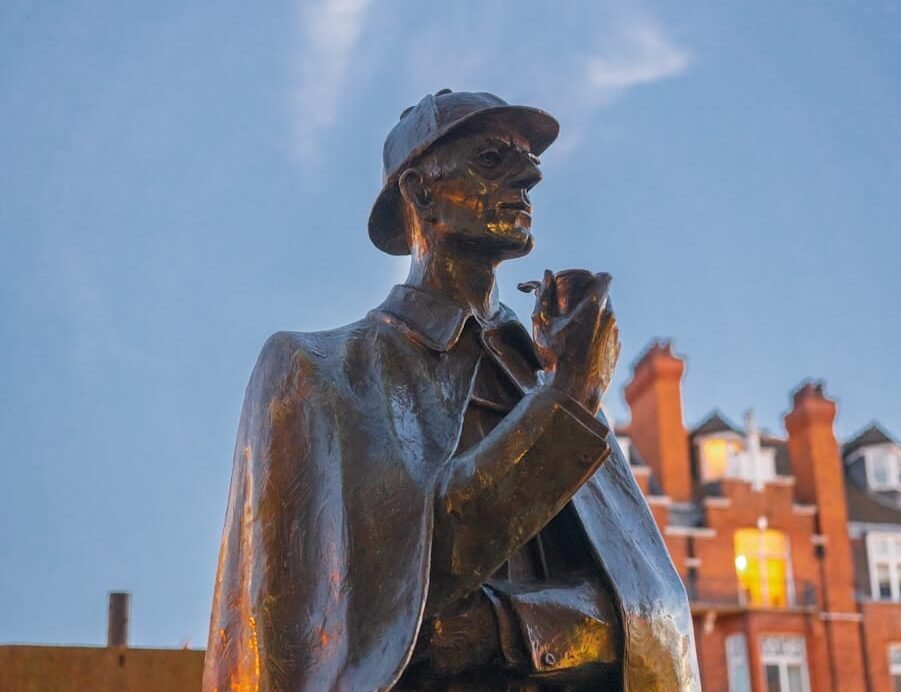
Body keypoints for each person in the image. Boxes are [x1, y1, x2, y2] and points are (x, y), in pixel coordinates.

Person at [202, 90, 700, 692]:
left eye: (528, 163)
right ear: (419, 192)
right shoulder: (317, 373)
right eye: (492, 159)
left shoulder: (550, 384)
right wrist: (567, 399)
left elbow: (656, 616)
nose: (530, 175)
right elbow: (389, 595)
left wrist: (507, 625)